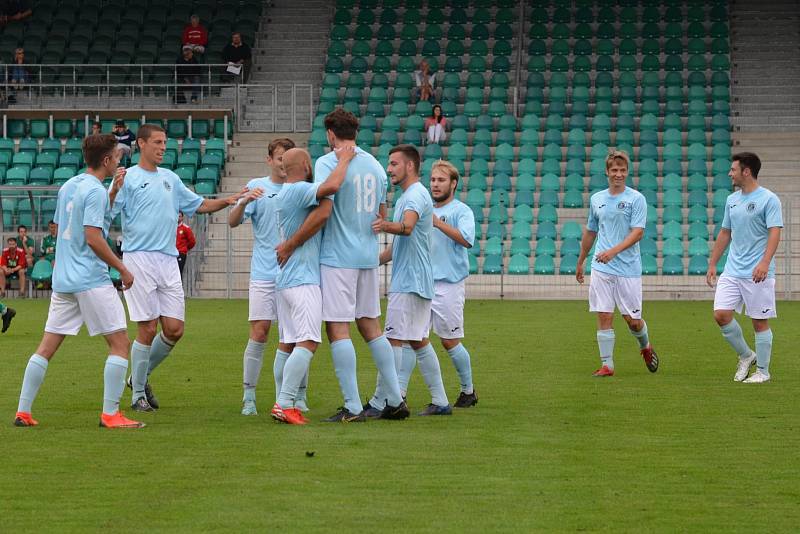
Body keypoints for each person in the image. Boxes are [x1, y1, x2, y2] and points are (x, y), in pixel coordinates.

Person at [275, 108, 409, 422]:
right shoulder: (375, 166)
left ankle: (351, 406)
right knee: (371, 326)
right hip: (367, 256)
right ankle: (394, 398)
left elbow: (323, 209)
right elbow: (381, 211)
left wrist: (292, 243)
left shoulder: (326, 163)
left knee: (337, 329)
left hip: (337, 257)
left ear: (331, 135)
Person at [110, 123, 245, 412]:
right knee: (146, 327)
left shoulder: (170, 178)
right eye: (157, 142)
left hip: (168, 260)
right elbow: (108, 211)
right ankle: (137, 398)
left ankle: (138, 378)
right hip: (139, 258)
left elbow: (200, 205)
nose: (162, 147)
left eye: (165, 142)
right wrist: (113, 191)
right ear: (142, 144)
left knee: (174, 329)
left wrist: (228, 200)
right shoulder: (127, 178)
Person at [13, 133, 144, 429]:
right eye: (117, 156)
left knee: (46, 346)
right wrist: (122, 268)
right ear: (107, 160)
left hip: (64, 281)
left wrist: (111, 194)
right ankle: (111, 414)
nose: (120, 160)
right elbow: (93, 237)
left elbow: (62, 229)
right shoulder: (94, 191)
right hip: (90, 279)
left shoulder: (70, 185)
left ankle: (23, 411)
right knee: (120, 343)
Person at [272, 146, 355, 425]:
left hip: (286, 279)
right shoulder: (297, 190)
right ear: (307, 165)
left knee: (287, 343)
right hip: (302, 279)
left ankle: (282, 401)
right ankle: (285, 403)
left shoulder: (286, 193)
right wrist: (344, 159)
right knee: (308, 341)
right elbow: (331, 186)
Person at [372, 145, 451, 416]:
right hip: (419, 280)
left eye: (394, 163)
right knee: (418, 341)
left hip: (409, 281)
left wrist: (383, 225)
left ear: (409, 166)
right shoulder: (412, 195)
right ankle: (440, 401)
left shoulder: (415, 196)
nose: (389, 168)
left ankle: (385, 401)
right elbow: (397, 247)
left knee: (392, 339)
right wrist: (370, 263)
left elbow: (406, 228)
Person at [575, 150, 659, 377]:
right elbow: (591, 232)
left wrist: (613, 251)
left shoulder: (636, 199)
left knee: (632, 321)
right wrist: (581, 260)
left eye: (622, 170)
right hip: (601, 267)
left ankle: (645, 346)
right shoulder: (597, 199)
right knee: (604, 314)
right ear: (607, 172)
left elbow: (638, 232)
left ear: (627, 172)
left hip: (628, 269)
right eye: (614, 170)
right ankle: (607, 365)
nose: (618, 174)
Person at [229, 138, 297, 416]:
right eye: (279, 158)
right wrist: (244, 201)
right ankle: (249, 397)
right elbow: (232, 221)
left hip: (294, 273)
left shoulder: (300, 189)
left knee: (293, 337)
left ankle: (292, 396)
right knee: (259, 332)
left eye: (288, 158)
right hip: (263, 273)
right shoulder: (258, 187)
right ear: (270, 159)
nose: (283, 164)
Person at [707, 152, 782, 384]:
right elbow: (725, 233)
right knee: (721, 314)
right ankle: (746, 355)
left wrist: (765, 262)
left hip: (758, 272)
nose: (730, 173)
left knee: (759, 322)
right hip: (732, 270)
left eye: (733, 170)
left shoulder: (769, 199)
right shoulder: (732, 200)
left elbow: (775, 231)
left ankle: (763, 371)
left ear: (746, 171)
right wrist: (712, 263)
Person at [425, 160, 477, 407]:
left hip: (449, 285)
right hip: (422, 283)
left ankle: (468, 390)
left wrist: (438, 223)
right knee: (410, 339)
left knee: (449, 341)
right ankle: (396, 394)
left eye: (441, 180)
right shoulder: (424, 209)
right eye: (433, 179)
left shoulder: (461, 211)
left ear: (453, 184)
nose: (435, 184)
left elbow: (467, 240)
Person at [175, 212, 196, 278]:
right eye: (177, 216)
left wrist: (185, 248)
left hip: (180, 253)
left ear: (182, 217)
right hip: (171, 253)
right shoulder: (171, 227)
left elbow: (192, 241)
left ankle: (179, 288)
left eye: (180, 216)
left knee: (178, 273)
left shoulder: (185, 228)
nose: (178, 218)